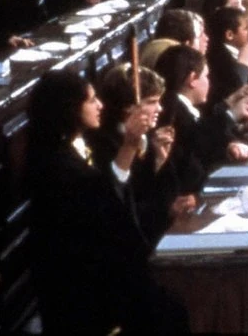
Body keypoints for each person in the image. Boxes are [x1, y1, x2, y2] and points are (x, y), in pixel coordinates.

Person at [25, 69, 188, 333]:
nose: (100, 105)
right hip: (83, 289)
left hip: (102, 269)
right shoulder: (55, 165)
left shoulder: (72, 148)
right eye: (91, 100)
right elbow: (108, 206)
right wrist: (129, 145)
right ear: (69, 108)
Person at [86, 62, 184, 244]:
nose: (160, 109)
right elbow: (125, 208)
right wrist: (166, 209)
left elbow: (167, 192)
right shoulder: (105, 145)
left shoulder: (148, 139)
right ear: (128, 106)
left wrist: (160, 160)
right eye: (152, 102)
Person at [155, 44, 248, 197]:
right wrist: (231, 115)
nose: (209, 82)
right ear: (192, 79)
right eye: (206, 76)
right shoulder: (174, 112)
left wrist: (228, 147)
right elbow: (197, 143)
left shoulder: (182, 108)